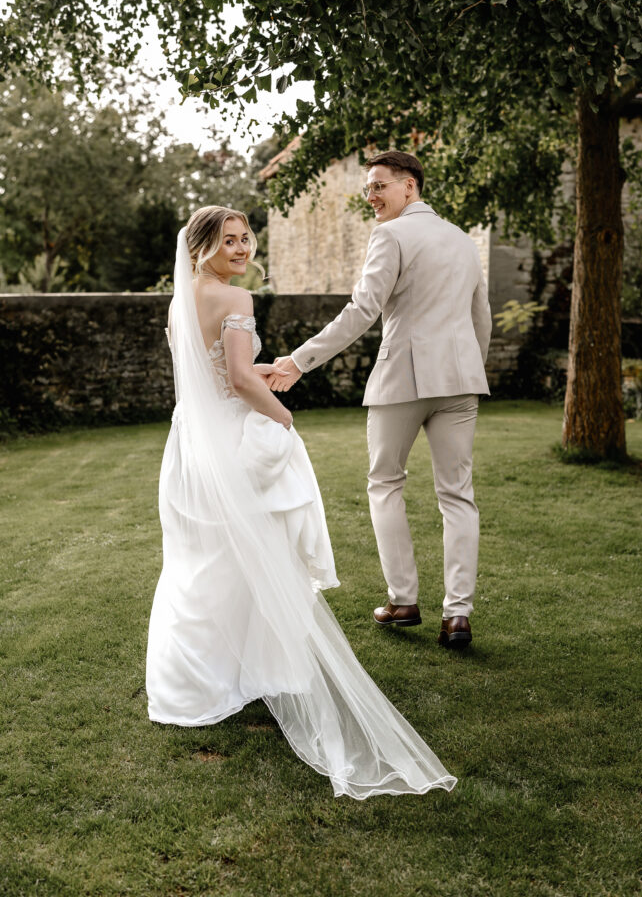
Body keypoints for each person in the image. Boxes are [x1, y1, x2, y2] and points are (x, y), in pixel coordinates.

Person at [146, 205, 457, 799]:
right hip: (234, 441)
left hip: (189, 444)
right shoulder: (237, 302)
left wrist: (260, 371)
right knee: (252, 556)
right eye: (229, 241)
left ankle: (193, 684)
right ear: (204, 245)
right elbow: (236, 383)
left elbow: (209, 374)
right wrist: (283, 416)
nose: (242, 249)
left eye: (246, 239)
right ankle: (248, 673)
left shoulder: (183, 299)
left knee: (205, 560)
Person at [271, 152, 492, 649]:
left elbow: (362, 310)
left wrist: (299, 360)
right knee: (458, 496)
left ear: (409, 186)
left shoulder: (390, 235)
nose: (370, 197)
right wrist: (470, 368)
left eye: (378, 186)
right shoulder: (462, 240)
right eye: (368, 188)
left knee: (385, 482)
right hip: (461, 381)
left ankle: (403, 600)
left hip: (404, 379)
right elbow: (482, 318)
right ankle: (457, 616)